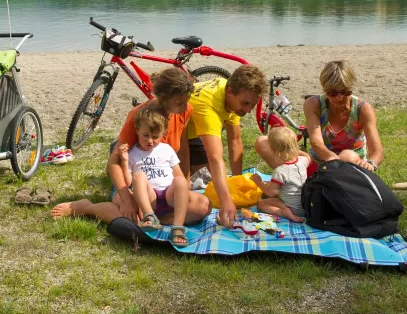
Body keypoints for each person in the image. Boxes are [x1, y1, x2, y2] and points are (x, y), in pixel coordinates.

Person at [51, 67, 211, 227]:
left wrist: (184, 185)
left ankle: (154, 220)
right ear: (163, 97)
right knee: (132, 215)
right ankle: (87, 208)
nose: (185, 107)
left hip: (165, 186)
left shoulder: (184, 111)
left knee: (204, 206)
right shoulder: (140, 115)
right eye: (180, 103)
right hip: (138, 185)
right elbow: (113, 163)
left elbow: (182, 149)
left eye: (186, 101)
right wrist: (127, 201)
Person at [187, 64, 268, 229]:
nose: (248, 110)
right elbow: (215, 157)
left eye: (253, 105)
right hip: (164, 138)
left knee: (215, 181)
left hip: (191, 135)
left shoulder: (232, 93)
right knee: (188, 192)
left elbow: (235, 142)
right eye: (245, 103)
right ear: (230, 92)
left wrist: (236, 186)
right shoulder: (208, 105)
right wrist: (226, 202)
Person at [118, 106, 190, 245]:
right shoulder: (133, 153)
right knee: (139, 175)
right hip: (149, 198)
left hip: (169, 195)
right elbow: (128, 182)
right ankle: (149, 216)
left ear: (163, 134)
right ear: (137, 131)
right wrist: (125, 161)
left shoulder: (166, 149)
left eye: (155, 137)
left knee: (181, 180)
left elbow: (179, 175)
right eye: (145, 136)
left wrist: (184, 191)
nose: (150, 141)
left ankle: (178, 228)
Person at [304, 60, 384, 171]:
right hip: (322, 162)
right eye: (333, 93)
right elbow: (316, 142)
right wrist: (334, 161)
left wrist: (371, 164)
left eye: (345, 92)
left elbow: (376, 150)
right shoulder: (313, 104)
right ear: (324, 89)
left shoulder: (363, 109)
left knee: (347, 155)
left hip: (352, 164)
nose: (339, 97)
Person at [250, 127, 309, 222]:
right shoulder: (302, 161)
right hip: (306, 205)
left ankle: (283, 212)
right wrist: (292, 148)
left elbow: (271, 193)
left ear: (273, 150)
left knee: (262, 204)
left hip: (292, 208)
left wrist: (259, 182)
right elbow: (307, 156)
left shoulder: (280, 171)